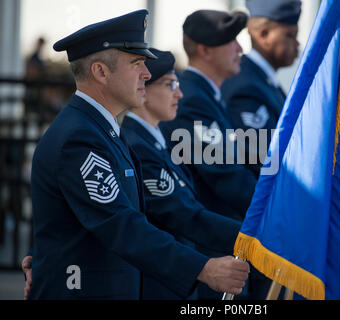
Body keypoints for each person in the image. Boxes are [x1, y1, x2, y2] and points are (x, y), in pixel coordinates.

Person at [25, 9, 249, 300]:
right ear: (100, 72)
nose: (146, 73)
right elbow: (121, 225)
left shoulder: (99, 130)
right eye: (136, 63)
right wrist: (203, 268)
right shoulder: (80, 138)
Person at [159, 9, 267, 300]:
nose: (240, 49)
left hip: (223, 243)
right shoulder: (192, 100)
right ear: (205, 50)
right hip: (211, 250)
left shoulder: (206, 97)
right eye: (231, 41)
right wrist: (277, 211)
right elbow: (226, 177)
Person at [120, 48, 243, 299]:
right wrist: (250, 238)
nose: (179, 93)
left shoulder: (153, 141)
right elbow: (184, 215)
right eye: (170, 84)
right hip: (159, 287)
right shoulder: (139, 147)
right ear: (142, 90)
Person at [221, 0, 301, 175]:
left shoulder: (265, 82)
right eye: (290, 35)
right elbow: (261, 161)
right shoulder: (245, 86)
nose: (297, 43)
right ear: (263, 34)